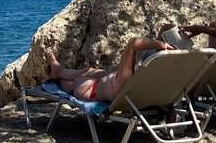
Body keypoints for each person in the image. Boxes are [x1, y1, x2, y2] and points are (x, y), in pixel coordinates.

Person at [43, 35, 176, 104]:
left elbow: (133, 43)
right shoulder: (159, 87)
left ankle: (57, 75)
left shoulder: (127, 81)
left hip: (90, 90)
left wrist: (162, 44)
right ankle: (58, 71)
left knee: (75, 82)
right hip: (105, 82)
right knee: (92, 71)